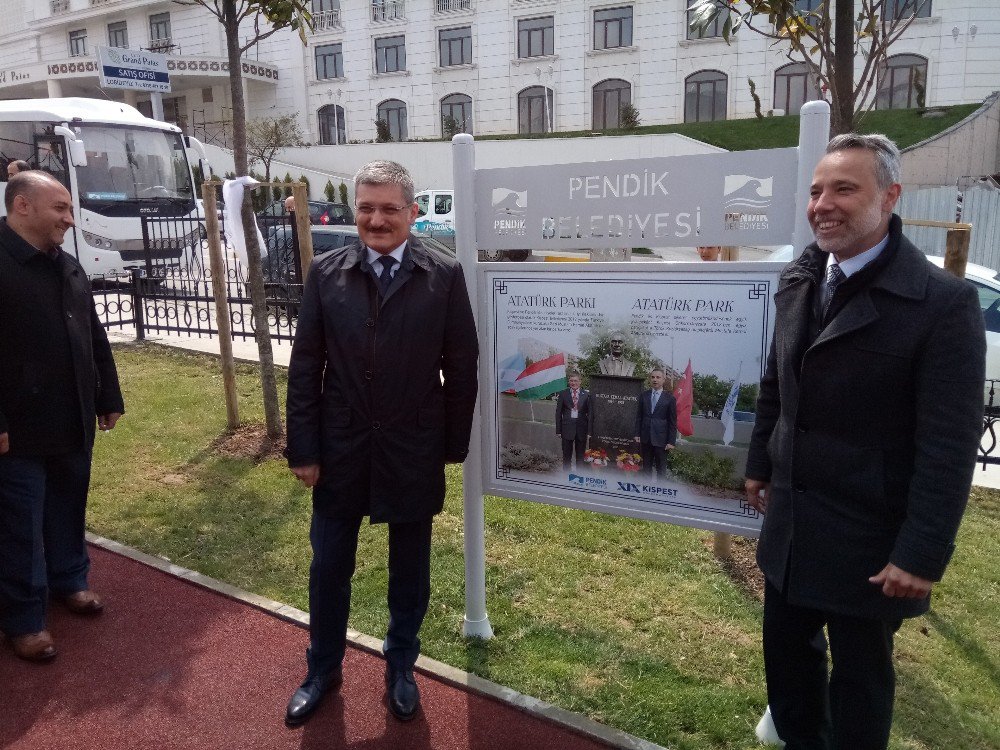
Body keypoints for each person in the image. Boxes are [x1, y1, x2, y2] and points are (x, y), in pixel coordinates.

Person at [744, 133, 986, 750]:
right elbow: (777, 382)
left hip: (870, 543)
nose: (823, 203)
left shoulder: (943, 304)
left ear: (890, 197)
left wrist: (922, 554)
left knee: (859, 688)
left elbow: (948, 446)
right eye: (817, 189)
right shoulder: (800, 279)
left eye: (844, 188)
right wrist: (759, 468)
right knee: (790, 677)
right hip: (793, 529)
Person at [283, 160, 479, 726]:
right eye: (366, 208)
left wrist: (451, 445)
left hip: (412, 447)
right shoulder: (325, 273)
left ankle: (401, 666)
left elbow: (460, 369)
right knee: (329, 565)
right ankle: (322, 669)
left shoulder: (443, 276)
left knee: (409, 568)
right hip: (341, 447)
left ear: (413, 214)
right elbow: (305, 368)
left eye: (389, 208)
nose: (376, 219)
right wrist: (305, 448)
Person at [0, 171, 124, 662]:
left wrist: (107, 396)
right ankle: (24, 619)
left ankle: (69, 580)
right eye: (61, 209)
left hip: (70, 420)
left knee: (67, 507)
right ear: (23, 206)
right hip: (18, 430)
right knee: (18, 524)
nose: (70, 220)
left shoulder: (66, 265)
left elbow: (93, 336)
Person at [633, 369, 676, 480]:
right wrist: (637, 433)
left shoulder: (670, 398)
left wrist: (671, 441)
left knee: (660, 469)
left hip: (661, 439)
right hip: (646, 437)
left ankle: (659, 494)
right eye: (653, 377)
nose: (655, 380)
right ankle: (646, 492)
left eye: (658, 377)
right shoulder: (644, 396)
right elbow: (639, 416)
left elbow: (672, 421)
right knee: (646, 468)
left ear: (663, 380)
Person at [554, 371, 590, 471]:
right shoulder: (563, 394)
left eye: (575, 381)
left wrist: (589, 431)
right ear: (568, 382)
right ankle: (566, 478)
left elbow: (590, 414)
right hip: (566, 429)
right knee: (566, 457)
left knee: (580, 458)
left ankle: (579, 479)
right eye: (571, 381)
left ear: (580, 382)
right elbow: (558, 413)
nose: (573, 383)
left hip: (581, 430)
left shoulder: (586, 395)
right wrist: (558, 430)